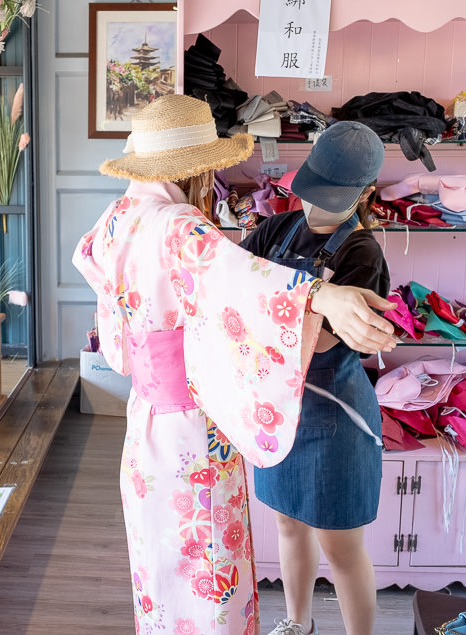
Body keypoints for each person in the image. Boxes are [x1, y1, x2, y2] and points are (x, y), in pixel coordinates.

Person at [72, 95, 396, 635]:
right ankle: (290, 622)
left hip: (149, 418)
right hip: (195, 421)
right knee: (208, 561)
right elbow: (240, 281)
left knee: (163, 563)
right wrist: (322, 297)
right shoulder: (178, 226)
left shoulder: (118, 219)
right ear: (195, 168)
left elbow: (107, 296)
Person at [238, 121, 389, 635]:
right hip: (279, 409)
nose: (312, 206)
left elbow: (323, 341)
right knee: (286, 522)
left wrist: (267, 307)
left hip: (333, 416)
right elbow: (231, 285)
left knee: (340, 546)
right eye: (310, 192)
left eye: (330, 198)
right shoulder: (275, 230)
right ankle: (296, 624)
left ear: (364, 195)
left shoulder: (362, 253)